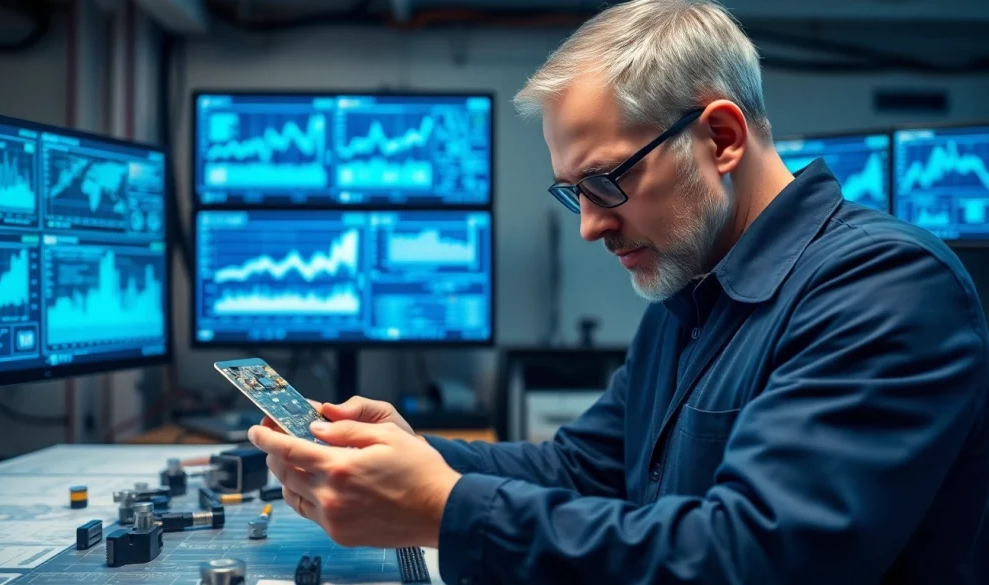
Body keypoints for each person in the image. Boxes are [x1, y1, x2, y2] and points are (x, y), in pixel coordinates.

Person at [248, 0, 989, 583]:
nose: (591, 227)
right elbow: (585, 470)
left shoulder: (885, 289)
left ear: (722, 138)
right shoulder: (693, 288)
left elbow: (754, 558)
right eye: (575, 194)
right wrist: (409, 453)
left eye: (606, 182)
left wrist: (444, 507)